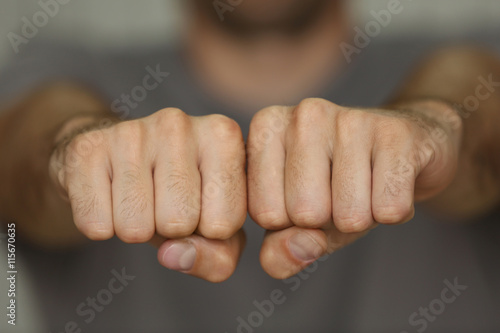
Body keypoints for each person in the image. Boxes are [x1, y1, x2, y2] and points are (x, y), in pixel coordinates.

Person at [0, 0, 499, 331]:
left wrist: (436, 123)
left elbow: (477, 93)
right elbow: (21, 156)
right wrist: (72, 150)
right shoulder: (69, 63)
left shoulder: (468, 54)